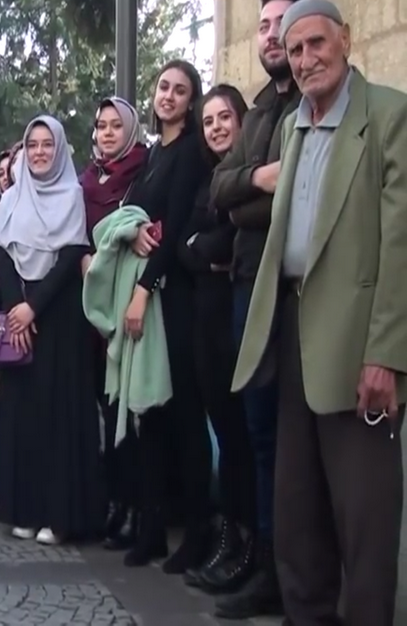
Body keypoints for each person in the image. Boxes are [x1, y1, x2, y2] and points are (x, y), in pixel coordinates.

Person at [232, 0, 407, 626]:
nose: (306, 59)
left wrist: (385, 354)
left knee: (364, 523)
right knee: (297, 517)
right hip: (294, 337)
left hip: (359, 349)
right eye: (295, 48)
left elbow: (401, 245)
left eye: (317, 43)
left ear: (346, 40)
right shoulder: (292, 127)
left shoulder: (388, 115)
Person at [208, 0, 301, 621]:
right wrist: (257, 181)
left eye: (281, 23)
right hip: (246, 286)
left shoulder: (310, 107)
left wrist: (248, 200)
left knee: (297, 441)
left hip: (292, 288)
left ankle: (301, 575)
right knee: (259, 431)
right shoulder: (263, 109)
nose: (270, 34)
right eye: (263, 25)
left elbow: (298, 198)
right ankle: (267, 567)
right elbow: (222, 188)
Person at [0, 115, 102, 545]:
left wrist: (33, 307)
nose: (39, 152)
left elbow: (71, 254)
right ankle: (25, 509)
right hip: (19, 315)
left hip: (58, 317)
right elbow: (3, 255)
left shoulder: (72, 195)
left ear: (59, 150)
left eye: (47, 145)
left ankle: (60, 516)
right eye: (32, 145)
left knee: (59, 415)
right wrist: (14, 309)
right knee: (23, 416)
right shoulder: (12, 197)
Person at [121, 60, 213, 571]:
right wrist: (133, 231)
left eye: (180, 90)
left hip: (174, 297)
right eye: (163, 87)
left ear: (191, 100)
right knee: (149, 413)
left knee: (184, 416)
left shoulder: (191, 152)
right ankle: (151, 528)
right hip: (151, 297)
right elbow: (138, 216)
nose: (169, 96)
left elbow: (174, 227)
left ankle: (197, 533)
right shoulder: (154, 152)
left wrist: (142, 290)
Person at [179, 85, 256, 593]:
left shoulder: (252, 174)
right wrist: (205, 249)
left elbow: (230, 239)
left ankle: (251, 543)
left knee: (247, 439)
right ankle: (230, 536)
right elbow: (185, 248)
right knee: (226, 437)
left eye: (224, 117)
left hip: (239, 320)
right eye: (208, 121)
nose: (216, 128)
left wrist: (203, 246)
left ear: (241, 120)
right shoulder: (206, 181)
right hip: (205, 321)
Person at [79, 96, 148, 551]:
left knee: (132, 410)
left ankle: (138, 507)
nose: (107, 133)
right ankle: (114, 501)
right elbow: (78, 235)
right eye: (101, 125)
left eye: (115, 125)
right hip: (92, 308)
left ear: (130, 130)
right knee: (105, 408)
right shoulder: (87, 181)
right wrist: (86, 261)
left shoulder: (142, 171)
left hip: (129, 301)